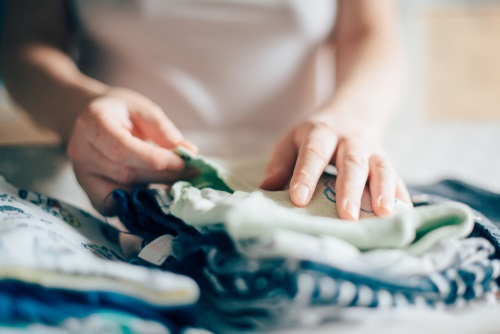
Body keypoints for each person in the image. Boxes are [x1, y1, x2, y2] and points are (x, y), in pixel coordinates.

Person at [1, 0, 412, 220]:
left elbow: (370, 34)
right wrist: (81, 108)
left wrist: (350, 119)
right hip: (111, 186)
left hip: (303, 181)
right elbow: (24, 43)